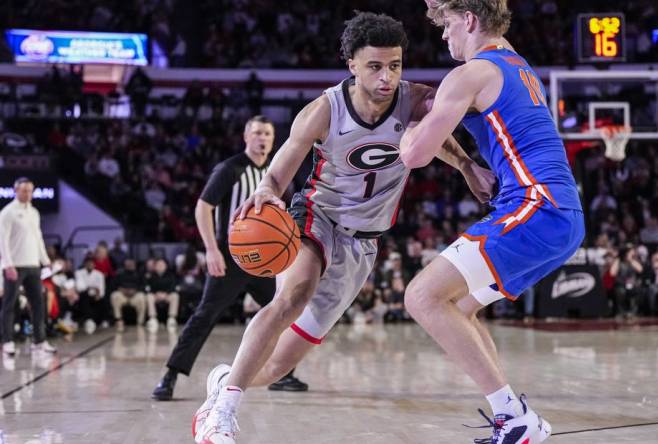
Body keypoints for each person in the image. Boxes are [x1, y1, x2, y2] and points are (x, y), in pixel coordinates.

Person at [193, 12, 494, 443]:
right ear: (351, 64)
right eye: (375, 66)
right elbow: (283, 165)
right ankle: (221, 414)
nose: (387, 76)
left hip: (363, 244)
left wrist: (466, 166)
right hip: (318, 217)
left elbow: (439, 132)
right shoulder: (324, 109)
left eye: (395, 65)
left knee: (278, 366)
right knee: (291, 297)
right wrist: (266, 188)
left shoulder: (413, 99)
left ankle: (224, 380)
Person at [398, 1, 586, 442]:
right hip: (563, 214)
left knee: (422, 297)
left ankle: (515, 416)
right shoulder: (516, 64)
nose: (444, 36)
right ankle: (512, 417)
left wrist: (408, 129)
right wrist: (467, 166)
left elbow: (415, 155)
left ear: (469, 20)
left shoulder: (471, 74)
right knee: (460, 309)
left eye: (446, 24)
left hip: (536, 208)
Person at [151, 116, 308, 401]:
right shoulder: (229, 168)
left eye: (268, 134)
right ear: (246, 136)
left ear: (274, 140)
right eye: (258, 132)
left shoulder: (280, 172)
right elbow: (203, 208)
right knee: (205, 315)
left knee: (284, 311)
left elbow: (293, 213)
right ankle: (170, 375)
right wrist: (211, 249)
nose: (263, 138)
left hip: (267, 260)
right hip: (231, 257)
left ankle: (283, 373)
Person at [0, 177, 57, 356]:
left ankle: (39, 341)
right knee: (10, 304)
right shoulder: (7, 212)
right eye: (24, 190)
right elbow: (3, 240)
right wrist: (8, 265)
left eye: (30, 190)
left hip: (33, 264)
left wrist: (45, 259)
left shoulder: (34, 212)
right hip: (14, 266)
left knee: (38, 304)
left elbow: (38, 238)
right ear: (16, 191)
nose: (28, 194)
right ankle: (7, 341)